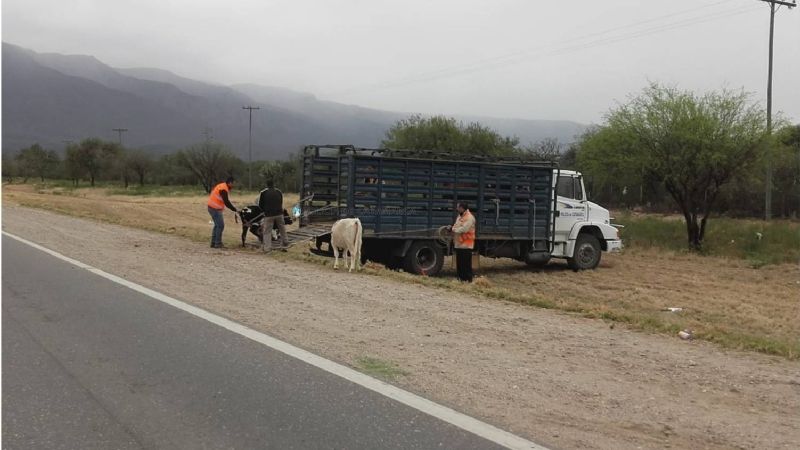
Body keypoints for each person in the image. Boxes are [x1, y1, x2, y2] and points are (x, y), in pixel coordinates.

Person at [448, 201, 476, 282]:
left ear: (462, 208)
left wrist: (452, 229)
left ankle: (468, 280)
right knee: (460, 263)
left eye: (458, 207)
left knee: (466, 264)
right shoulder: (460, 216)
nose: (456, 208)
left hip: (466, 245)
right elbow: (457, 226)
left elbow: (464, 229)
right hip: (459, 244)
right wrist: (451, 227)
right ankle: (460, 278)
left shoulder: (469, 217)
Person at [258, 180, 288, 253]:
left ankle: (267, 249)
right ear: (274, 184)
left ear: (267, 185)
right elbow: (281, 202)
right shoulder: (279, 192)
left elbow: (260, 205)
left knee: (267, 232)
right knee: (282, 229)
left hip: (269, 215)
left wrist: (264, 211)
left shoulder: (263, 193)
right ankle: (285, 243)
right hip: (279, 214)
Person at [207, 176, 238, 248]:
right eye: (233, 183)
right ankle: (218, 243)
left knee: (217, 225)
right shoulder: (223, 189)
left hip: (212, 207)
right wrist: (234, 209)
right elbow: (226, 202)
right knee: (220, 225)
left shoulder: (222, 186)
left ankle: (213, 243)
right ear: (230, 182)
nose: (234, 185)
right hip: (215, 208)